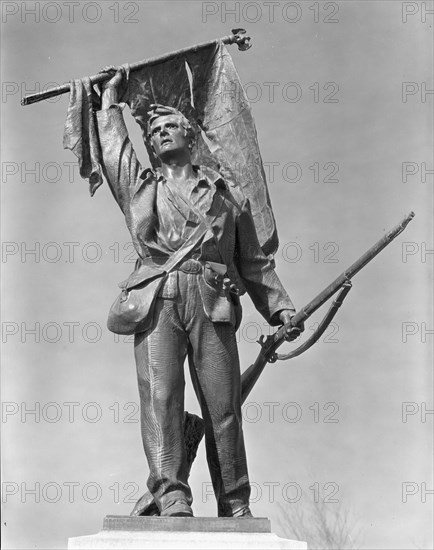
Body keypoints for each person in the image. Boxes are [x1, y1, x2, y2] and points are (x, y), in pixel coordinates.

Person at [96, 67, 301, 518]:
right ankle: (171, 496)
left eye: (171, 126)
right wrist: (110, 102)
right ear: (150, 145)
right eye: (154, 131)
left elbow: (253, 263)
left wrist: (281, 309)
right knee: (161, 401)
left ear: (190, 137)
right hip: (160, 299)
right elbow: (114, 151)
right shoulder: (142, 188)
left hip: (213, 299)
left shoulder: (227, 198)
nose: (162, 133)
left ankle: (235, 502)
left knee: (223, 407)